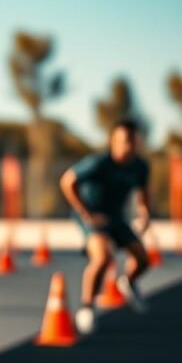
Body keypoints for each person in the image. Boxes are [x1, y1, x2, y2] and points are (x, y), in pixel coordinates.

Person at [60, 117, 151, 335]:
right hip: (93, 217)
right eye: (123, 141)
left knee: (143, 259)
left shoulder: (140, 166)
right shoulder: (99, 162)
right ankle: (87, 307)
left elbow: (142, 191)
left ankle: (128, 282)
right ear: (113, 142)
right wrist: (86, 213)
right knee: (103, 258)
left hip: (117, 218)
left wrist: (144, 212)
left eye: (131, 141)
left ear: (137, 142)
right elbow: (67, 181)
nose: (127, 146)